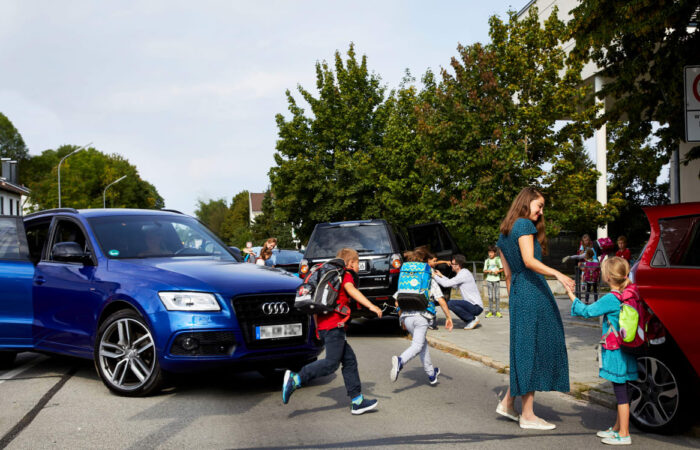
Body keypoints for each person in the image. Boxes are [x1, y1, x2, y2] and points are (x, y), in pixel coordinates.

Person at [496, 186, 574, 430]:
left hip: (519, 294)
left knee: (525, 348)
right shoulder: (524, 226)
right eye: (539, 206)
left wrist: (515, 303)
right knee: (534, 348)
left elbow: (507, 276)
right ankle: (528, 415)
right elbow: (529, 261)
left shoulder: (503, 233)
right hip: (532, 291)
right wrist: (558, 274)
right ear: (526, 202)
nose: (541, 212)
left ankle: (508, 403)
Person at [282, 248, 383, 415]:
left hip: (326, 326)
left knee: (349, 360)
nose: (358, 266)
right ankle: (297, 379)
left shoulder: (326, 273)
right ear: (350, 262)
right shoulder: (345, 274)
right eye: (358, 263)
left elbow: (314, 305)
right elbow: (351, 290)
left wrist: (317, 328)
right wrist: (371, 306)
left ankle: (357, 401)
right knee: (331, 363)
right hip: (334, 326)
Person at [566, 256, 637, 446]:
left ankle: (624, 434)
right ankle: (617, 428)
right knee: (625, 389)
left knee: (620, 392)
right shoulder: (631, 292)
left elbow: (587, 311)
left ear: (607, 277)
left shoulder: (611, 298)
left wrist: (571, 295)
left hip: (615, 351)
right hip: (629, 348)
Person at [390, 250, 454, 384]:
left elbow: (397, 300)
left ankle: (431, 374)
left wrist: (400, 317)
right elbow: (441, 300)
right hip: (421, 317)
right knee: (418, 345)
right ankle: (401, 361)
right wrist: (448, 317)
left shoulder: (404, 279)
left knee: (422, 344)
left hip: (406, 317)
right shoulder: (428, 280)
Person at [434, 254, 483, 330]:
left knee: (450, 303)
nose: (451, 266)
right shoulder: (462, 273)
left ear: (458, 265)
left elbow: (446, 284)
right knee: (451, 304)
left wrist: (434, 276)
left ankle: (471, 319)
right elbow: (452, 284)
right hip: (473, 305)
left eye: (453, 264)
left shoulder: (463, 274)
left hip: (475, 306)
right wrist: (441, 276)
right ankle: (470, 319)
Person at [483, 245, 503, 318]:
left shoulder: (498, 260)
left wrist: (497, 272)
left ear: (494, 253)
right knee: (490, 296)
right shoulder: (487, 261)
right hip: (489, 280)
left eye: (491, 252)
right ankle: (490, 311)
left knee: (497, 296)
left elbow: (502, 269)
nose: (490, 254)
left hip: (496, 280)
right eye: (489, 252)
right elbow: (484, 271)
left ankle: (498, 311)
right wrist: (489, 271)